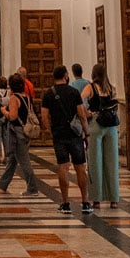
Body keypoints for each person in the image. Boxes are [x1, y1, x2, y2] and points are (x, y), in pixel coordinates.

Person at [41, 65, 91, 215]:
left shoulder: (49, 94)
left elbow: (44, 116)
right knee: (80, 167)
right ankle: (85, 201)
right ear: (65, 76)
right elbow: (81, 114)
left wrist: (51, 130)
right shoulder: (74, 92)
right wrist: (86, 132)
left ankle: (65, 203)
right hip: (74, 135)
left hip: (59, 135)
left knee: (63, 166)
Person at [82, 63, 120, 208]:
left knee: (95, 162)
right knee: (112, 162)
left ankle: (96, 198)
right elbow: (115, 104)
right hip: (111, 126)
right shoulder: (111, 87)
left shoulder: (90, 87)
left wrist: (86, 112)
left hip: (96, 124)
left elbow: (80, 100)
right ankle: (114, 199)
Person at [0, 72, 40, 197]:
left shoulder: (14, 98)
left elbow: (13, 116)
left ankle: (32, 188)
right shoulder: (25, 97)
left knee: (24, 161)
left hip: (17, 132)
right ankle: (2, 184)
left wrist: (4, 111)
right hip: (24, 131)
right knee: (13, 161)